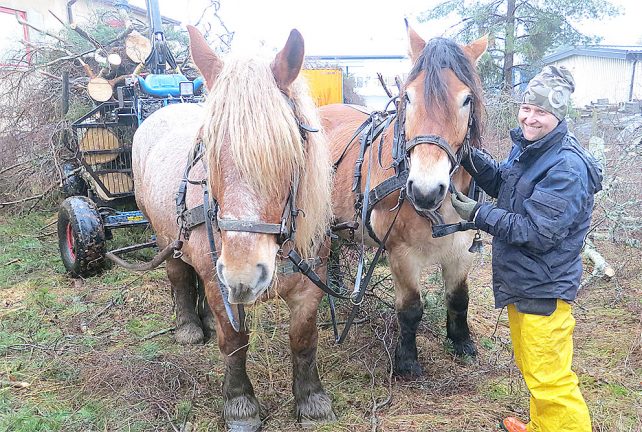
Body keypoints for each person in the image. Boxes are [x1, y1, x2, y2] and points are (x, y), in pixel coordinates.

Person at [450, 65, 602, 432]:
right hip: (525, 282)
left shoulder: (566, 167)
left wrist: (478, 214)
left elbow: (537, 232)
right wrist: (468, 154)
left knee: (551, 379)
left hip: (544, 288)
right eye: (527, 108)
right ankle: (541, 427)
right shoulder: (533, 150)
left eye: (542, 112)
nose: (531, 118)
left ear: (559, 114)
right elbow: (506, 181)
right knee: (532, 364)